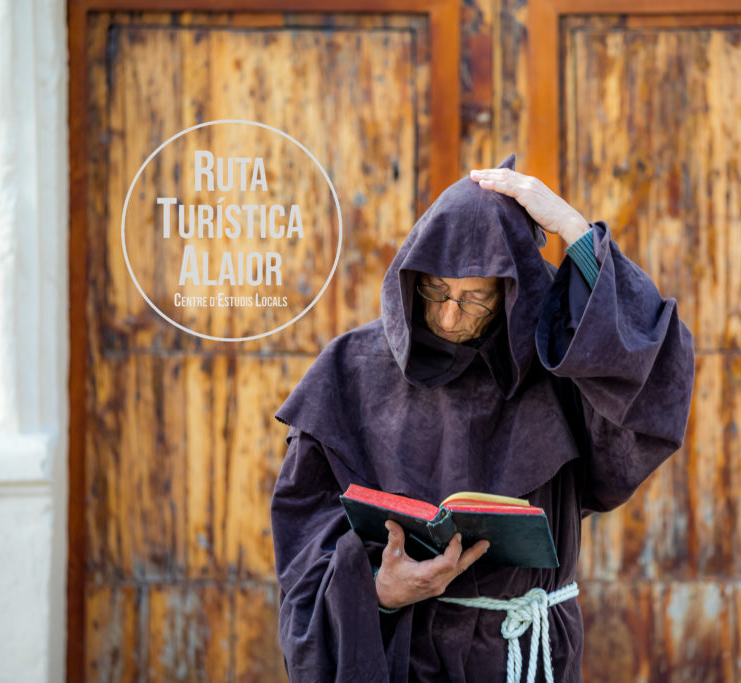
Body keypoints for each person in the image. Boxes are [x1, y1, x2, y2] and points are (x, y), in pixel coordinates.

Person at [271, 154, 695, 682]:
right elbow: (304, 538)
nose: (450, 316)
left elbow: (652, 381)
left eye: (475, 300)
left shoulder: (560, 361)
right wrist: (376, 591)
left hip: (529, 656)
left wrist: (576, 232)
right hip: (408, 658)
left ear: (512, 292)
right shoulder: (349, 369)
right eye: (436, 292)